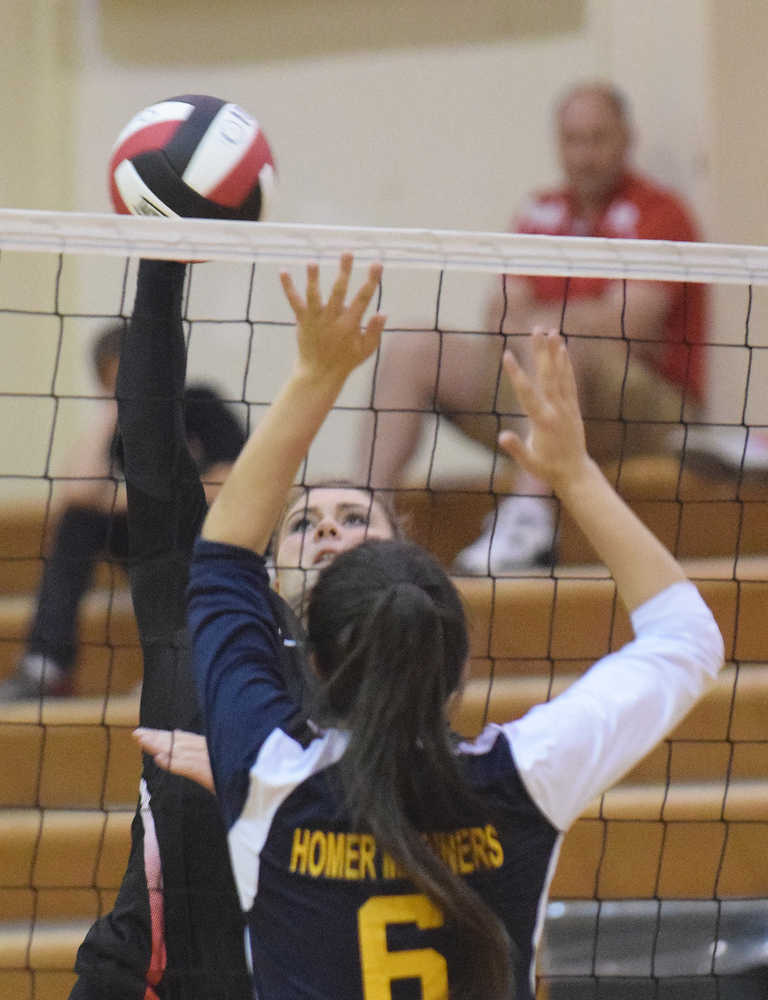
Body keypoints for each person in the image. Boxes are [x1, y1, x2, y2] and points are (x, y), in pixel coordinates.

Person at [186, 255, 724, 999]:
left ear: (311, 652)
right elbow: (686, 640)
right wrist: (573, 473)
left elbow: (219, 564)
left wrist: (317, 374)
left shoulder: (268, 773)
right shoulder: (524, 777)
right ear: (456, 655)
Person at [68, 257, 400, 999]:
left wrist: (252, 779)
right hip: (143, 974)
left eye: (355, 519)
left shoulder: (409, 673)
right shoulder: (214, 620)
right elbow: (152, 438)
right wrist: (162, 259)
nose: (326, 531)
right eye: (304, 521)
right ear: (271, 560)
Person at [362, 81, 708, 574]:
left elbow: (628, 322)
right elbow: (498, 314)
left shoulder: (661, 213)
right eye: (572, 140)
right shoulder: (538, 210)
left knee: (552, 343)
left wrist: (545, 321)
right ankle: (367, 518)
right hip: (546, 389)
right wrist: (555, 322)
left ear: (626, 139)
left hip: (649, 411)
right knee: (414, 347)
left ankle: (529, 519)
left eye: (597, 138)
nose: (584, 155)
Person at [0, 323, 246, 702]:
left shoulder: (201, 405)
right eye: (120, 380)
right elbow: (79, 493)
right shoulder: (118, 427)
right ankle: (45, 663)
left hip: (202, 542)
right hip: (144, 543)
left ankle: (179, 671)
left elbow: (234, 484)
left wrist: (134, 499)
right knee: (77, 524)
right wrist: (113, 410)